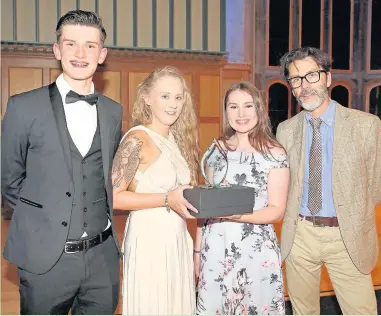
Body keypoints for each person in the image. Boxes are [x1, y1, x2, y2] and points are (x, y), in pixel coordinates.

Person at [1, 10, 122, 315]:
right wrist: (46, 218)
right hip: (45, 261)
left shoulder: (113, 112)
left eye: (90, 46)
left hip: (102, 260)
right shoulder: (22, 107)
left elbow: (104, 176)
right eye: (71, 44)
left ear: (102, 54)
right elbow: (8, 179)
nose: (80, 54)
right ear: (57, 50)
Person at [276, 47, 381, 315]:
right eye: (296, 79)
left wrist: (352, 215)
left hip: (347, 237)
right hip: (299, 235)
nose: (304, 86)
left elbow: (377, 185)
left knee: (362, 311)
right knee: (303, 312)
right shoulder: (285, 131)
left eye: (311, 75)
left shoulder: (366, 126)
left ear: (328, 78)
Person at [195, 81, 290, 315]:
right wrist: (197, 252)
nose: (241, 114)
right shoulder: (216, 150)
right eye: (233, 106)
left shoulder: (275, 154)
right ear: (226, 111)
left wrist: (238, 215)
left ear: (259, 109)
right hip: (215, 247)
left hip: (255, 251)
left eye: (248, 106)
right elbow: (204, 207)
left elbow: (277, 210)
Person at [111, 66, 199, 315]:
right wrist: (166, 198)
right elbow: (114, 196)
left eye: (178, 97)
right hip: (149, 239)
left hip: (177, 236)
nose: (173, 104)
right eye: (165, 96)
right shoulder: (137, 139)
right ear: (147, 98)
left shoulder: (176, 140)